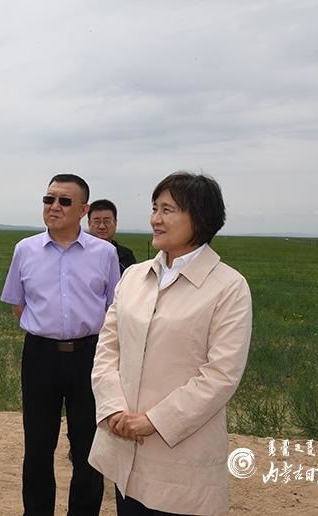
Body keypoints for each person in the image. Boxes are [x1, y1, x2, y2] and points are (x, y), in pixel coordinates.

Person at [88, 172, 252, 515]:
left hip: (180, 459)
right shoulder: (133, 276)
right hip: (125, 449)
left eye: (167, 210)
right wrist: (114, 408)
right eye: (154, 208)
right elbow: (108, 348)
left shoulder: (228, 287)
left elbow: (221, 374)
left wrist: (155, 420)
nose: (156, 219)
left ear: (200, 218)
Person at [1, 174, 120, 515]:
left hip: (89, 357)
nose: (54, 206)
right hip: (40, 357)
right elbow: (19, 305)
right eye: (48, 199)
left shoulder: (105, 253)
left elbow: (115, 308)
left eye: (64, 201)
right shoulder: (25, 250)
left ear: (83, 209)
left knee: (88, 447)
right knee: (38, 446)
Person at [87, 199, 137, 274]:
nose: (102, 226)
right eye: (97, 221)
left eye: (106, 221)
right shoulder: (79, 253)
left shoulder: (126, 256)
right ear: (89, 223)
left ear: (115, 223)